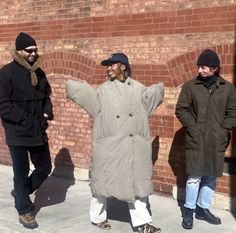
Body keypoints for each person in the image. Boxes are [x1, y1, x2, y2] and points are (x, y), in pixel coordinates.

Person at [67, 53, 164, 233]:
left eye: (112, 65)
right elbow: (93, 105)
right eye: (107, 65)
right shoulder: (104, 90)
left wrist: (157, 91)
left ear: (123, 67)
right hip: (110, 147)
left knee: (137, 185)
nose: (108, 68)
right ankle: (97, 217)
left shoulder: (138, 88)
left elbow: (148, 104)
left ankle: (142, 224)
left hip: (133, 147)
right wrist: (77, 90)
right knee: (102, 186)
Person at [175, 49, 236, 230]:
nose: (199, 70)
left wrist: (223, 129)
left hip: (217, 140)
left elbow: (233, 112)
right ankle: (189, 210)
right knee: (194, 176)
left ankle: (203, 208)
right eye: (199, 67)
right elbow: (181, 109)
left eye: (203, 67)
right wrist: (192, 127)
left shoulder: (228, 88)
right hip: (196, 139)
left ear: (214, 68)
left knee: (210, 176)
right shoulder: (190, 86)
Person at [0, 32, 54, 229]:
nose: (33, 53)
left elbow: (47, 97)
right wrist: (25, 119)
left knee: (44, 167)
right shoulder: (6, 73)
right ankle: (24, 210)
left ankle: (21, 191)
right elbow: (3, 105)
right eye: (28, 50)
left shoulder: (39, 73)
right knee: (20, 172)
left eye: (35, 50)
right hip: (18, 132)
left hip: (38, 130)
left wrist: (47, 113)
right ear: (19, 51)